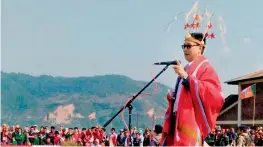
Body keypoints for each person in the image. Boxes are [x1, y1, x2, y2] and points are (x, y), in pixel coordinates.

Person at [160, 32, 225, 146]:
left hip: (191, 119)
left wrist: (186, 77)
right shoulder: (186, 68)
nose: (185, 49)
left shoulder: (206, 68)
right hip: (177, 119)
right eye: (183, 46)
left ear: (200, 47)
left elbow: (216, 95)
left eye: (189, 46)